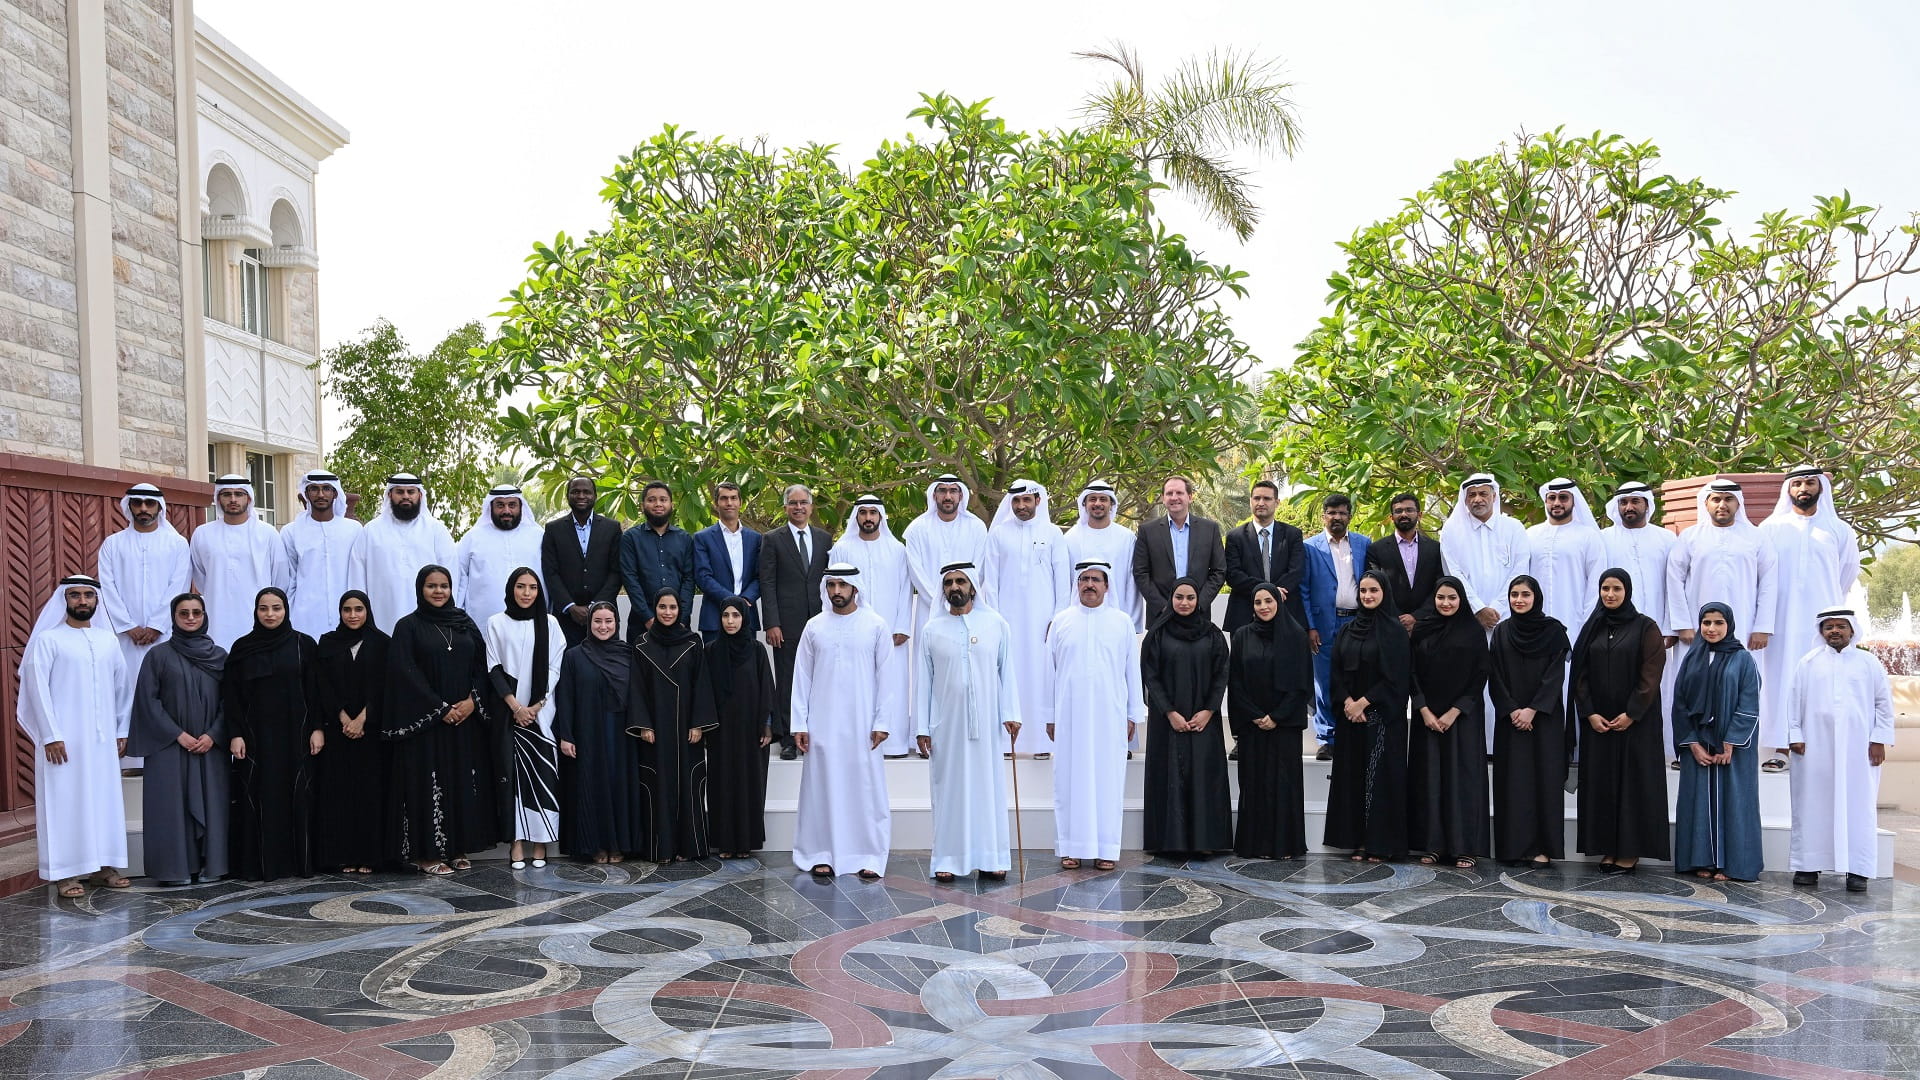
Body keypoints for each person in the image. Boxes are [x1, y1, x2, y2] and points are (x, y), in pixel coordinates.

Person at [16, 575, 131, 897]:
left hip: (101, 740)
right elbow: (36, 690)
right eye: (75, 596)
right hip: (62, 742)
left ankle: (104, 866)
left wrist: (121, 730)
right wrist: (51, 735)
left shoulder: (108, 640)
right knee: (64, 804)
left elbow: (122, 689)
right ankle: (65, 873)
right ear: (64, 600)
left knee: (103, 801)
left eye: (88, 596)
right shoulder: (49, 640)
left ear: (97, 601)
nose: (82, 601)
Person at [384, 565, 498, 875]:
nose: (438, 591)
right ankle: (426, 854)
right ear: (420, 589)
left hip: (463, 722)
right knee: (427, 785)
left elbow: (482, 665)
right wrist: (440, 707)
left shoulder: (463, 624)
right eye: (431, 586)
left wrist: (472, 701)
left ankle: (456, 848)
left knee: (459, 782)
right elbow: (404, 672)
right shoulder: (408, 626)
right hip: (427, 723)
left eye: (444, 586)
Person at [916, 562, 1021, 882]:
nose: (954, 588)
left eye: (960, 581)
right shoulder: (931, 630)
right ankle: (947, 859)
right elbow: (924, 682)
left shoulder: (996, 624)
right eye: (948, 583)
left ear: (973, 586)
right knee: (949, 792)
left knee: (987, 789)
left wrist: (1011, 714)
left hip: (987, 725)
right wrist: (922, 727)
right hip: (946, 725)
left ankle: (992, 858)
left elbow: (1008, 672)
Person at [789, 564, 895, 879]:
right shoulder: (814, 627)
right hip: (823, 723)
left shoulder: (875, 625)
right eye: (832, 585)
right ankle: (820, 853)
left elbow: (888, 678)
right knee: (822, 788)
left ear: (855, 588)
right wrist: (800, 724)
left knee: (865, 789)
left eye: (842, 585)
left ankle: (869, 855)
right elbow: (801, 677)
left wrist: (883, 721)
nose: (837, 591)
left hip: (863, 724)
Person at [1666, 479, 1777, 766]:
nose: (1722, 505)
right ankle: (1688, 747)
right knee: (1692, 686)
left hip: (1743, 628)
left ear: (1738, 504)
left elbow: (1768, 582)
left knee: (1738, 687)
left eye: (1728, 499)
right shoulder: (1690, 537)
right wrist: (1683, 624)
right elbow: (1674, 579)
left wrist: (1762, 625)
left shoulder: (1756, 537)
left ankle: (1739, 744)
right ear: (1706, 503)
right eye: (1716, 499)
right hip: (1698, 630)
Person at [1760, 468, 1860, 773]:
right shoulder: (1770, 528)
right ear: (1788, 489)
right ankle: (1780, 747)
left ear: (1821, 488)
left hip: (1821, 619)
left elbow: (1847, 572)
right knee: (1781, 678)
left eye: (1810, 483)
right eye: (1798, 483)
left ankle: (1817, 747)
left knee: (1821, 679)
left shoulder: (1838, 529)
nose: (1804, 488)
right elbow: (1761, 573)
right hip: (1781, 620)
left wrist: (1824, 600)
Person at [1047, 561, 1146, 871]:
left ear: (1107, 586)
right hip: (1069, 716)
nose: (1089, 584)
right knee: (1069, 779)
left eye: (1096, 580)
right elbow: (1048, 674)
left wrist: (1133, 715)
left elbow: (1132, 673)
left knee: (1108, 780)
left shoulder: (1121, 623)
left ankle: (1106, 848)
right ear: (1077, 585)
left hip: (1110, 716)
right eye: (1084, 579)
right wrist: (1050, 715)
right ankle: (1071, 847)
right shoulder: (1061, 622)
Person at [1570, 569, 1669, 873]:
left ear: (1627, 591)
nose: (1610, 595)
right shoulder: (1593, 627)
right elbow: (1580, 674)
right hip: (1599, 725)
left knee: (1632, 785)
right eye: (1605, 589)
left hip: (1635, 725)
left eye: (1616, 589)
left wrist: (1632, 713)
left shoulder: (1645, 627)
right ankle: (1607, 847)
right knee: (1603, 784)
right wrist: (1589, 712)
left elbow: (1651, 673)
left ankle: (1630, 850)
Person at [1789, 608, 1894, 892]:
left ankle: (1858, 869)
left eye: (1840, 626)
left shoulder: (1869, 663)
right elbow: (1794, 702)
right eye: (1828, 627)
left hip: (1859, 748)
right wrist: (1794, 735)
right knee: (1811, 804)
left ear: (1852, 631)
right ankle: (1808, 865)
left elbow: (1883, 704)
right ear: (1821, 631)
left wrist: (1878, 740)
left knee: (1858, 806)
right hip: (1814, 747)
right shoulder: (1808, 663)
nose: (1834, 631)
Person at [126, 594, 229, 885]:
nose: (191, 618)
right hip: (169, 746)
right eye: (184, 613)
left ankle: (213, 865)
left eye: (196, 612)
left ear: (204, 615)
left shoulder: (219, 656)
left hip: (211, 747)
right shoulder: (157, 656)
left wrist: (213, 734)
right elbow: (148, 701)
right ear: (174, 617)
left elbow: (231, 701)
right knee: (171, 807)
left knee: (213, 804)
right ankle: (175, 869)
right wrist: (178, 735)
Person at [224, 587, 319, 881]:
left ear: (286, 610)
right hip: (256, 739)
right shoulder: (242, 648)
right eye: (264, 609)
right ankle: (261, 865)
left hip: (297, 735)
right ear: (255, 612)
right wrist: (236, 733)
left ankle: (297, 863)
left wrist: (317, 728)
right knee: (259, 797)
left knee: (297, 795)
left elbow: (316, 691)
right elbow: (231, 695)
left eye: (276, 608)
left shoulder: (304, 644)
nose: (270, 614)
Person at [1322, 570, 1410, 862]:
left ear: (1384, 593)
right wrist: (1348, 701)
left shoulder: (1394, 630)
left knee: (1379, 780)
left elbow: (1397, 676)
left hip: (1381, 719)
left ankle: (1380, 844)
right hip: (1350, 718)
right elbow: (1334, 671)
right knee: (1353, 780)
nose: (1368, 596)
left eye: (1374, 591)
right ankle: (1357, 840)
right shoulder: (1347, 630)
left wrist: (1363, 702)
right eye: (1363, 591)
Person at [1672, 601, 1763, 882]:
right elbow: (1680, 704)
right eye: (1706, 623)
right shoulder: (1692, 657)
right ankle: (1702, 860)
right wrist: (1693, 744)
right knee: (1698, 800)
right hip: (1698, 744)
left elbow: (1749, 702)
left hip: (1731, 747)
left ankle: (1732, 863)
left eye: (1718, 623)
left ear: (1730, 625)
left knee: (1734, 800)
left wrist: (1731, 742)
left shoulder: (1743, 659)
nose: (1711, 629)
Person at [1141, 578, 1232, 858]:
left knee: (1203, 776)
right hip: (1168, 720)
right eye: (1179, 597)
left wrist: (1208, 710)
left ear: (1198, 600)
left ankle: (1205, 840)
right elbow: (1150, 676)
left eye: (1190, 597)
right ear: (1171, 599)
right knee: (1169, 774)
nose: (1184, 603)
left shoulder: (1212, 634)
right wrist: (1169, 712)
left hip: (1203, 718)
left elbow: (1221, 675)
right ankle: (1171, 842)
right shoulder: (1157, 634)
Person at [1441, 472, 1530, 754]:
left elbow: (1520, 570)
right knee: (1471, 679)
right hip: (1469, 620)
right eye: (1472, 495)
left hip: (1507, 620)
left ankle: (1500, 744)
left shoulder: (1513, 528)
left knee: (1506, 679)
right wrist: (1478, 608)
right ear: (1464, 499)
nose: (1478, 499)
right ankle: (1479, 745)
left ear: (1494, 496)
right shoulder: (1452, 532)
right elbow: (1454, 574)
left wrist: (1499, 608)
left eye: (1483, 494)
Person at [1406, 576, 1490, 870]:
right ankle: (1433, 845)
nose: (1445, 603)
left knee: (1462, 779)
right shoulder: (1422, 629)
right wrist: (1424, 710)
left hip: (1462, 718)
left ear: (1461, 600)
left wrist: (1456, 711)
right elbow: (1411, 672)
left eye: (1452, 598)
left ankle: (1465, 846)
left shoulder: (1473, 632)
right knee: (1429, 779)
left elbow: (1480, 674)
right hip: (1427, 717)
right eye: (1441, 597)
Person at [552, 602, 646, 863]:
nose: (603, 627)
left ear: (617, 623)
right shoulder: (574, 656)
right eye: (598, 621)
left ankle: (619, 845)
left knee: (619, 786)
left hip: (621, 735)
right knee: (592, 787)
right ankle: (595, 845)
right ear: (589, 624)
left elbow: (639, 695)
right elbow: (566, 698)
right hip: (588, 733)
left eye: (608, 621)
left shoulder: (629, 654)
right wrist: (566, 735)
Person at [626, 588, 716, 862]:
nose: (667, 612)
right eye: (662, 607)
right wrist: (644, 725)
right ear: (654, 608)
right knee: (658, 786)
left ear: (680, 610)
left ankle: (689, 848)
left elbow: (702, 683)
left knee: (688, 787)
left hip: (686, 728)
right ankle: (660, 849)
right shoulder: (641, 644)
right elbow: (637, 688)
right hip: (656, 730)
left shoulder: (693, 642)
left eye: (672, 607)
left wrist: (698, 724)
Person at [904, 475, 991, 755]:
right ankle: (923, 735)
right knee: (927, 673)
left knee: (969, 671)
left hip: (970, 611)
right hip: (930, 614)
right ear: (934, 496)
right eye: (942, 491)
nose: (948, 496)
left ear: (961, 496)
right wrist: (940, 601)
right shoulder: (917, 529)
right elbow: (915, 570)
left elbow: (979, 567)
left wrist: (960, 600)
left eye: (953, 491)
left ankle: (970, 734)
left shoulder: (977, 528)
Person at [1489, 575, 1571, 867]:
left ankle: (1542, 847)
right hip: (1510, 721)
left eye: (1525, 594)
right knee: (1513, 782)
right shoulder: (1501, 632)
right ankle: (1512, 846)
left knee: (1543, 782)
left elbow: (1554, 676)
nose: (1519, 600)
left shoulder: (1553, 631)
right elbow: (1494, 674)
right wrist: (1512, 709)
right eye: (1514, 594)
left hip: (1543, 721)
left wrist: (1533, 710)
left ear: (1536, 597)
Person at [1228, 582, 1314, 859]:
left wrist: (1276, 717)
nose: (1263, 607)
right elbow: (1236, 682)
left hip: (1284, 727)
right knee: (1254, 784)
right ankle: (1254, 845)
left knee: (1283, 784)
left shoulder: (1296, 635)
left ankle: (1284, 845)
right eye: (1257, 602)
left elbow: (1300, 684)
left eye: (1268, 601)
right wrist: (1255, 715)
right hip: (1253, 726)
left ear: (1278, 601)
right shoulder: (1241, 636)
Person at [486, 567, 565, 869]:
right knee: (513, 780)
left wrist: (535, 705)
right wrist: (516, 707)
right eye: (521, 587)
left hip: (542, 716)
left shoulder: (550, 623)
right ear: (512, 589)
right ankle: (516, 844)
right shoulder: (496, 623)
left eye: (532, 587)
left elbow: (556, 666)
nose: (527, 593)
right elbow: (493, 667)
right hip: (510, 715)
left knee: (543, 777)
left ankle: (540, 843)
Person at [983, 481, 1068, 758]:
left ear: (1038, 501)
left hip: (1043, 623)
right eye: (1016, 501)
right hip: (1007, 620)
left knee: (1041, 678)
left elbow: (1062, 581)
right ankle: (1010, 743)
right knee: (1010, 676)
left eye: (1026, 500)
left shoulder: (1053, 534)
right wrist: (995, 619)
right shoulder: (998, 535)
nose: (1021, 506)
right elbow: (991, 582)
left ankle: (1042, 744)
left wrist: (1057, 619)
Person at [311, 590, 389, 875]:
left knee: (369, 793)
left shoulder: (382, 643)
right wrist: (344, 717)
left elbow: (385, 686)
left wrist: (362, 719)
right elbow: (322, 685)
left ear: (367, 610)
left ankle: (369, 855)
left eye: (358, 609)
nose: (353, 615)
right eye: (347, 609)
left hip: (371, 734)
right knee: (340, 794)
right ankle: (342, 855)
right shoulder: (328, 643)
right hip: (338, 732)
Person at [1600, 481, 1679, 762]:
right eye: (1624, 503)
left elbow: (1675, 585)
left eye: (1635, 502)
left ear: (1648, 505)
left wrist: (1670, 626)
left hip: (1656, 628)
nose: (1629, 507)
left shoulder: (1667, 539)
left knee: (1657, 686)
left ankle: (1666, 749)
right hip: (1615, 632)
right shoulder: (1604, 538)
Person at [829, 494, 914, 756]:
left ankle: (895, 742)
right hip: (853, 630)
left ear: (880, 516)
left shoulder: (898, 549)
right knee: (857, 684)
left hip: (891, 632)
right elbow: (832, 589)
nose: (868, 518)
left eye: (873, 513)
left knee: (893, 683)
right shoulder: (842, 548)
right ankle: (856, 741)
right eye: (863, 513)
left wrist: (901, 626)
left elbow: (905, 590)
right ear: (856, 517)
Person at [97, 482, 191, 709]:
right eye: (137, 503)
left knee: (166, 691)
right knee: (124, 693)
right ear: (129, 507)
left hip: (165, 634)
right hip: (124, 637)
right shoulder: (113, 544)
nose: (143, 508)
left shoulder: (177, 544)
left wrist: (157, 625)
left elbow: (178, 586)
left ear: (160, 508)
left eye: (150, 503)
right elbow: (107, 588)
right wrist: (128, 626)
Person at [760, 483, 831, 759]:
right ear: (785, 507)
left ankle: (817, 733)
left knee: (820, 679)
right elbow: (767, 583)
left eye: (803, 503)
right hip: (786, 624)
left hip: (820, 621)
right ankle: (789, 737)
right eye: (793, 503)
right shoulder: (773, 539)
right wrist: (772, 623)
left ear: (811, 507)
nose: (799, 507)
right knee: (789, 680)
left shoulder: (825, 539)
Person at [705, 596, 776, 858]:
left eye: (736, 615)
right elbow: (704, 691)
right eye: (726, 616)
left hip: (750, 731)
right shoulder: (711, 651)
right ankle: (724, 842)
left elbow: (767, 687)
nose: (731, 621)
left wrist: (767, 725)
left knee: (749, 783)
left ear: (744, 619)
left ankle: (745, 841)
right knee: (722, 783)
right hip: (721, 732)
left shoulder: (756, 650)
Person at [1304, 494, 1373, 758]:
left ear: (1349, 516)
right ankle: (1327, 737)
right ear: (1324, 516)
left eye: (1342, 513)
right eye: (1331, 513)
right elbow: (1304, 589)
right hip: (1323, 623)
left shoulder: (1363, 544)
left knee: (1356, 675)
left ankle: (1352, 731)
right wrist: (1310, 626)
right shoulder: (1310, 547)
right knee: (1324, 680)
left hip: (1356, 621)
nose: (1337, 517)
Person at [349, 474, 458, 635]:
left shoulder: (436, 530)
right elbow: (357, 578)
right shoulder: (371, 531)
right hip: (381, 619)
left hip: (430, 621)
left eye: (410, 492)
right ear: (389, 495)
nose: (405, 496)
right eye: (399, 492)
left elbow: (451, 575)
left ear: (419, 495)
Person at [191, 475, 290, 649]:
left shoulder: (267, 533)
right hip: (217, 618)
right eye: (226, 494)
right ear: (218, 499)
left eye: (239, 494)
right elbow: (201, 578)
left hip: (257, 620)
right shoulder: (203, 534)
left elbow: (280, 580)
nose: (233, 499)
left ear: (249, 498)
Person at [541, 476, 624, 647]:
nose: (581, 496)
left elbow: (616, 572)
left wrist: (596, 607)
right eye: (575, 492)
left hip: (604, 618)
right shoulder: (553, 529)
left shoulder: (612, 528)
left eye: (587, 492)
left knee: (606, 668)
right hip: (565, 619)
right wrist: (570, 606)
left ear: (595, 496)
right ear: (567, 496)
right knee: (567, 669)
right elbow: (550, 572)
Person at [1132, 475, 1226, 625]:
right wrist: (1163, 607)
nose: (1174, 497)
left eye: (1179, 493)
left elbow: (1219, 571)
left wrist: (1198, 604)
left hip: (1198, 617)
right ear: (1163, 498)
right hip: (1160, 617)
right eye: (1169, 493)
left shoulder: (1209, 529)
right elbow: (1141, 572)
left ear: (1190, 497)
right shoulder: (1147, 531)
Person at [281, 471, 363, 639]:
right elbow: (288, 579)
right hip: (304, 616)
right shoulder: (291, 531)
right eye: (314, 489)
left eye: (326, 488)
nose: (320, 494)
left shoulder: (353, 529)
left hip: (347, 614)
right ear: (306, 493)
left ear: (335, 493)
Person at [1527, 479, 1607, 640]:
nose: (1557, 503)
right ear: (1546, 501)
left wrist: (1588, 622)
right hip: (1534, 623)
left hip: (1575, 622)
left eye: (1563, 498)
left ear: (1573, 501)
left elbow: (1596, 583)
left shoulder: (1588, 536)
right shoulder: (1530, 535)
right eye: (1552, 498)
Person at [456, 485, 544, 628]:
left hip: (532, 620)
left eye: (512, 505)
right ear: (491, 507)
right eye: (500, 505)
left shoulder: (538, 535)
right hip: (482, 622)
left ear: (521, 506)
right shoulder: (473, 537)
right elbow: (460, 578)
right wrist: (457, 613)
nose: (506, 511)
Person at [619, 480, 696, 642]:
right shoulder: (630, 538)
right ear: (642, 506)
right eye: (651, 500)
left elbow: (689, 579)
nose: (658, 504)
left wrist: (681, 619)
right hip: (641, 623)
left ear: (671, 505)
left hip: (678, 624)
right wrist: (648, 618)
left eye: (663, 499)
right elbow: (630, 579)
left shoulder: (684, 539)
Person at [1224, 482, 1305, 633]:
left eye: (1267, 498)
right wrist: (1268, 591)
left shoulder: (1292, 534)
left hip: (1286, 612)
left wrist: (1273, 594)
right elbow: (1233, 575)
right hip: (1245, 614)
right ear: (1250, 501)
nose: (1261, 503)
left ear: (1277, 502)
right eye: (1256, 498)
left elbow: (1296, 571)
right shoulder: (1235, 536)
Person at [1062, 481, 1144, 630]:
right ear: (1084, 504)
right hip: (1078, 620)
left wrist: (1132, 622)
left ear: (1111, 504)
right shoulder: (1070, 538)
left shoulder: (1126, 537)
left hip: (1117, 620)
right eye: (1093, 499)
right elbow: (1064, 582)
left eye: (1103, 499)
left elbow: (1132, 582)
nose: (1098, 503)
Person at [693, 481, 763, 640]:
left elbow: (761, 576)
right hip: (714, 618)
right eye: (724, 498)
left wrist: (744, 601)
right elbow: (703, 576)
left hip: (747, 616)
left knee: (747, 665)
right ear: (716, 503)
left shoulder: (756, 539)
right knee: (715, 665)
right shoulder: (702, 538)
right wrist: (732, 601)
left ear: (740, 502)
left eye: (733, 498)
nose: (729, 503)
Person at [1366, 492, 1442, 632]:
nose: (1404, 514)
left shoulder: (1435, 548)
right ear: (1391, 517)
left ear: (1419, 515)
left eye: (1409, 510)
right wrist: (1398, 617)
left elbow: (1439, 585)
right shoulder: (1376, 549)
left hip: (1428, 624)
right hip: (1390, 624)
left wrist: (1416, 616)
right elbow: (1375, 587)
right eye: (1398, 511)